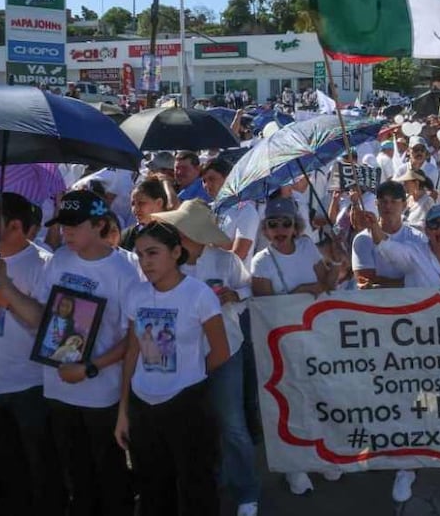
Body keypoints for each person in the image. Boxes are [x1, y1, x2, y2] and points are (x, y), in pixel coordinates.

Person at [0, 190, 141, 516]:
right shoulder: (59, 260)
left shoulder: (126, 271)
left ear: (99, 225)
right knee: (76, 480)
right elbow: (42, 316)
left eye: (74, 225)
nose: (65, 232)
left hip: (101, 395)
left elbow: (133, 339)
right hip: (57, 391)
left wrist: (90, 368)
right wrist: (5, 290)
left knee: (110, 481)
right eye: (62, 224)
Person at [365, 204, 440, 501]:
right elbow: (387, 247)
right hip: (422, 351)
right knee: (424, 407)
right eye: (435, 225)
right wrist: (372, 225)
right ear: (426, 230)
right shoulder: (415, 253)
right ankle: (409, 468)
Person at [150, 200, 260, 516]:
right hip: (183, 353)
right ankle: (205, 483)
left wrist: (234, 295)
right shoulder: (169, 264)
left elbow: (250, 290)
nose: (172, 234)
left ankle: (247, 491)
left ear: (192, 234)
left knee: (232, 423)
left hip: (225, 351)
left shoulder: (225, 262)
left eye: (178, 230)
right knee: (192, 425)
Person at [115, 220, 230, 516]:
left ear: (176, 252)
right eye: (139, 255)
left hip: (187, 405)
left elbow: (220, 351)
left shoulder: (199, 294)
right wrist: (123, 411)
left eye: (152, 253)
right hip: (143, 406)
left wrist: (189, 378)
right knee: (153, 491)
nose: (145, 262)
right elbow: (132, 352)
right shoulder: (135, 295)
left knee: (197, 489)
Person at [250, 197, 340, 493]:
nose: (280, 229)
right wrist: (300, 293)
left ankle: (322, 454)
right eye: (273, 224)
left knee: (319, 396)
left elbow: (326, 284)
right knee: (289, 403)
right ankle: (294, 465)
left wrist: (336, 262)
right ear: (265, 228)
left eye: (286, 223)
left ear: (295, 226)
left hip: (314, 338)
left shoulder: (305, 247)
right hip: (282, 343)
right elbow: (264, 308)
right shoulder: (261, 261)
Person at [351, 181, 424, 290]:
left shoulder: (417, 237)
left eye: (394, 202)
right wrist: (407, 283)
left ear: (404, 204)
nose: (388, 206)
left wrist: (383, 283)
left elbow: (423, 276)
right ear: (376, 203)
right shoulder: (363, 239)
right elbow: (364, 279)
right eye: (383, 201)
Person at [201, 158, 259, 261]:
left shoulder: (245, 211)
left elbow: (239, 255)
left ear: (229, 179)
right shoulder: (205, 209)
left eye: (212, 179)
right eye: (204, 181)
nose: (207, 185)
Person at [122, 179, 172, 252]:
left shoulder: (176, 234)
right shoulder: (126, 236)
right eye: (133, 204)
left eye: (141, 203)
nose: (135, 209)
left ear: (159, 203)